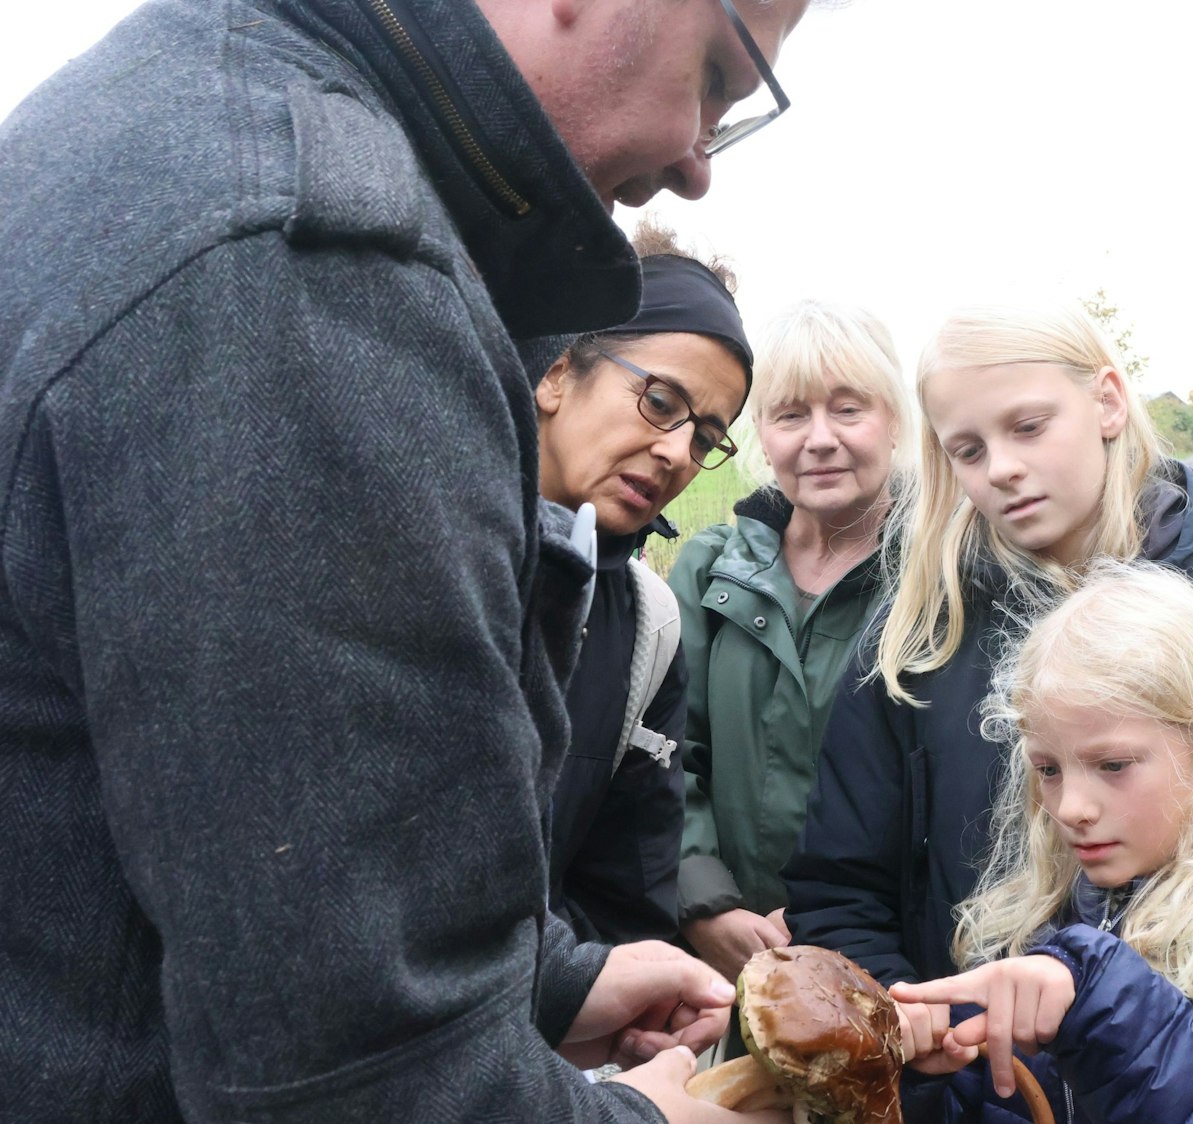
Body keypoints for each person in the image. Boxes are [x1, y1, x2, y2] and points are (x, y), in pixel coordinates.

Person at [0, 0, 811, 1119]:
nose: (695, 160)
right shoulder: (304, 275)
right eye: (719, 76)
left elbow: (216, 875)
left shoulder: (186, 115)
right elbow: (371, 1083)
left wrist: (552, 982)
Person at [784, 300, 1193, 1002]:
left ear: (1107, 402)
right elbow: (838, 891)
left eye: (1028, 427)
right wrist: (927, 1034)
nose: (1002, 469)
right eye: (968, 450)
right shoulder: (914, 642)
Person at [890, 561, 1193, 1124]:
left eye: (1112, 765)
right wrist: (922, 1083)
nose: (1070, 808)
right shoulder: (1041, 919)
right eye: (1048, 769)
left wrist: (1104, 1003)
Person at [671, 300, 913, 984]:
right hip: (733, 965)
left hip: (894, 969)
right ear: (763, 435)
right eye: (790, 415)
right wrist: (704, 902)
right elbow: (664, 754)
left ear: (894, 421)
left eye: (848, 409)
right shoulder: (709, 573)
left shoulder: (941, 581)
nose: (820, 438)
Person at [541, 225, 753, 948]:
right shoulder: (428, 551)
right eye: (661, 402)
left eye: (705, 437)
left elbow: (624, 896)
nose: (676, 452)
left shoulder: (648, 627)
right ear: (558, 371)